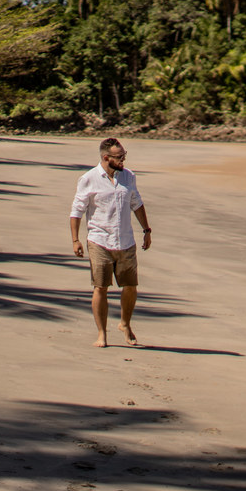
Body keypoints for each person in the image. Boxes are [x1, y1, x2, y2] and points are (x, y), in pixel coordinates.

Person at [69, 138, 152, 347]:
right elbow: (77, 211)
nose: (123, 160)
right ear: (106, 158)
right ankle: (101, 334)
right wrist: (76, 240)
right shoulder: (88, 179)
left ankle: (125, 323)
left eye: (124, 155)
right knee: (101, 287)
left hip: (125, 240)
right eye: (119, 157)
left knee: (131, 286)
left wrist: (146, 230)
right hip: (99, 240)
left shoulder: (129, 176)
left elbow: (137, 203)